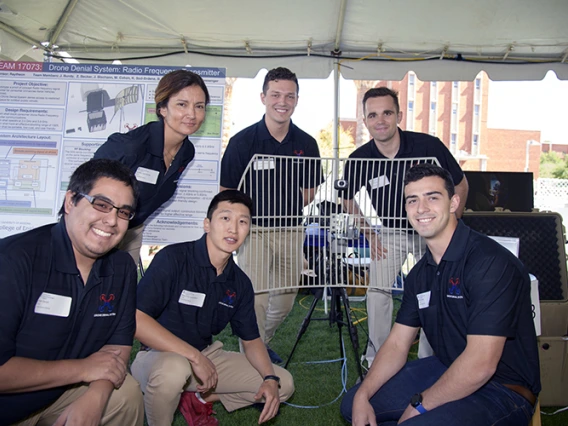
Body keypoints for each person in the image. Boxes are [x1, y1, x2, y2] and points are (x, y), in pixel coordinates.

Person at [340, 163, 540, 426]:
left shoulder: (490, 263)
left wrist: (420, 406)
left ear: (454, 202)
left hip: (502, 389)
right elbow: (399, 343)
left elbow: (481, 364)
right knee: (354, 404)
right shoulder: (420, 273)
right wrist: (364, 393)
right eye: (413, 200)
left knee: (414, 419)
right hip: (446, 366)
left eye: (432, 197)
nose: (421, 208)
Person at [131, 190, 295, 426]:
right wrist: (193, 356)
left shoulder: (239, 282)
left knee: (283, 383)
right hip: (157, 356)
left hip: (206, 357)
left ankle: (198, 397)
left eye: (243, 222)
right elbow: (137, 320)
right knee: (173, 370)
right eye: (225, 218)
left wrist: (269, 377)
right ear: (207, 224)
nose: (234, 229)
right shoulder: (174, 259)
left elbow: (251, 340)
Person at [0, 158, 144, 426]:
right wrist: (84, 368)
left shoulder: (121, 268)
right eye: (101, 204)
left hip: (62, 392)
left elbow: (117, 346)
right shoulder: (13, 261)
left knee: (124, 396)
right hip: (7, 405)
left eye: (123, 212)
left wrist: (97, 397)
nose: (112, 220)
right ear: (70, 202)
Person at [342, 87, 469, 365]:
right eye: (373, 115)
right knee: (377, 293)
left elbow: (460, 184)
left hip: (432, 232)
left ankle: (430, 357)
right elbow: (346, 199)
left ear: (398, 115)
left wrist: (452, 223)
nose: (381, 120)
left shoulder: (429, 146)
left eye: (387, 112)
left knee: (435, 292)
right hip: (391, 233)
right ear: (365, 121)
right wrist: (368, 232)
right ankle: (377, 355)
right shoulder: (358, 159)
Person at [220, 67, 323, 363]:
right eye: (276, 94)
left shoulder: (306, 143)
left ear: (297, 100)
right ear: (263, 97)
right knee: (257, 297)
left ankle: (260, 343)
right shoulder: (243, 142)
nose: (282, 101)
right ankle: (251, 360)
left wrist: (283, 203)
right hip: (254, 231)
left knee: (286, 297)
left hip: (291, 229)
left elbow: (310, 191)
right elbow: (226, 190)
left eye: (289, 96)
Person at [94, 69, 210, 263]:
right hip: (99, 228)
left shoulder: (186, 152)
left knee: (122, 289)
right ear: (162, 108)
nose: (192, 114)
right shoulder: (129, 147)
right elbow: (85, 190)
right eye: (182, 104)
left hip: (132, 231)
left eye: (199, 106)